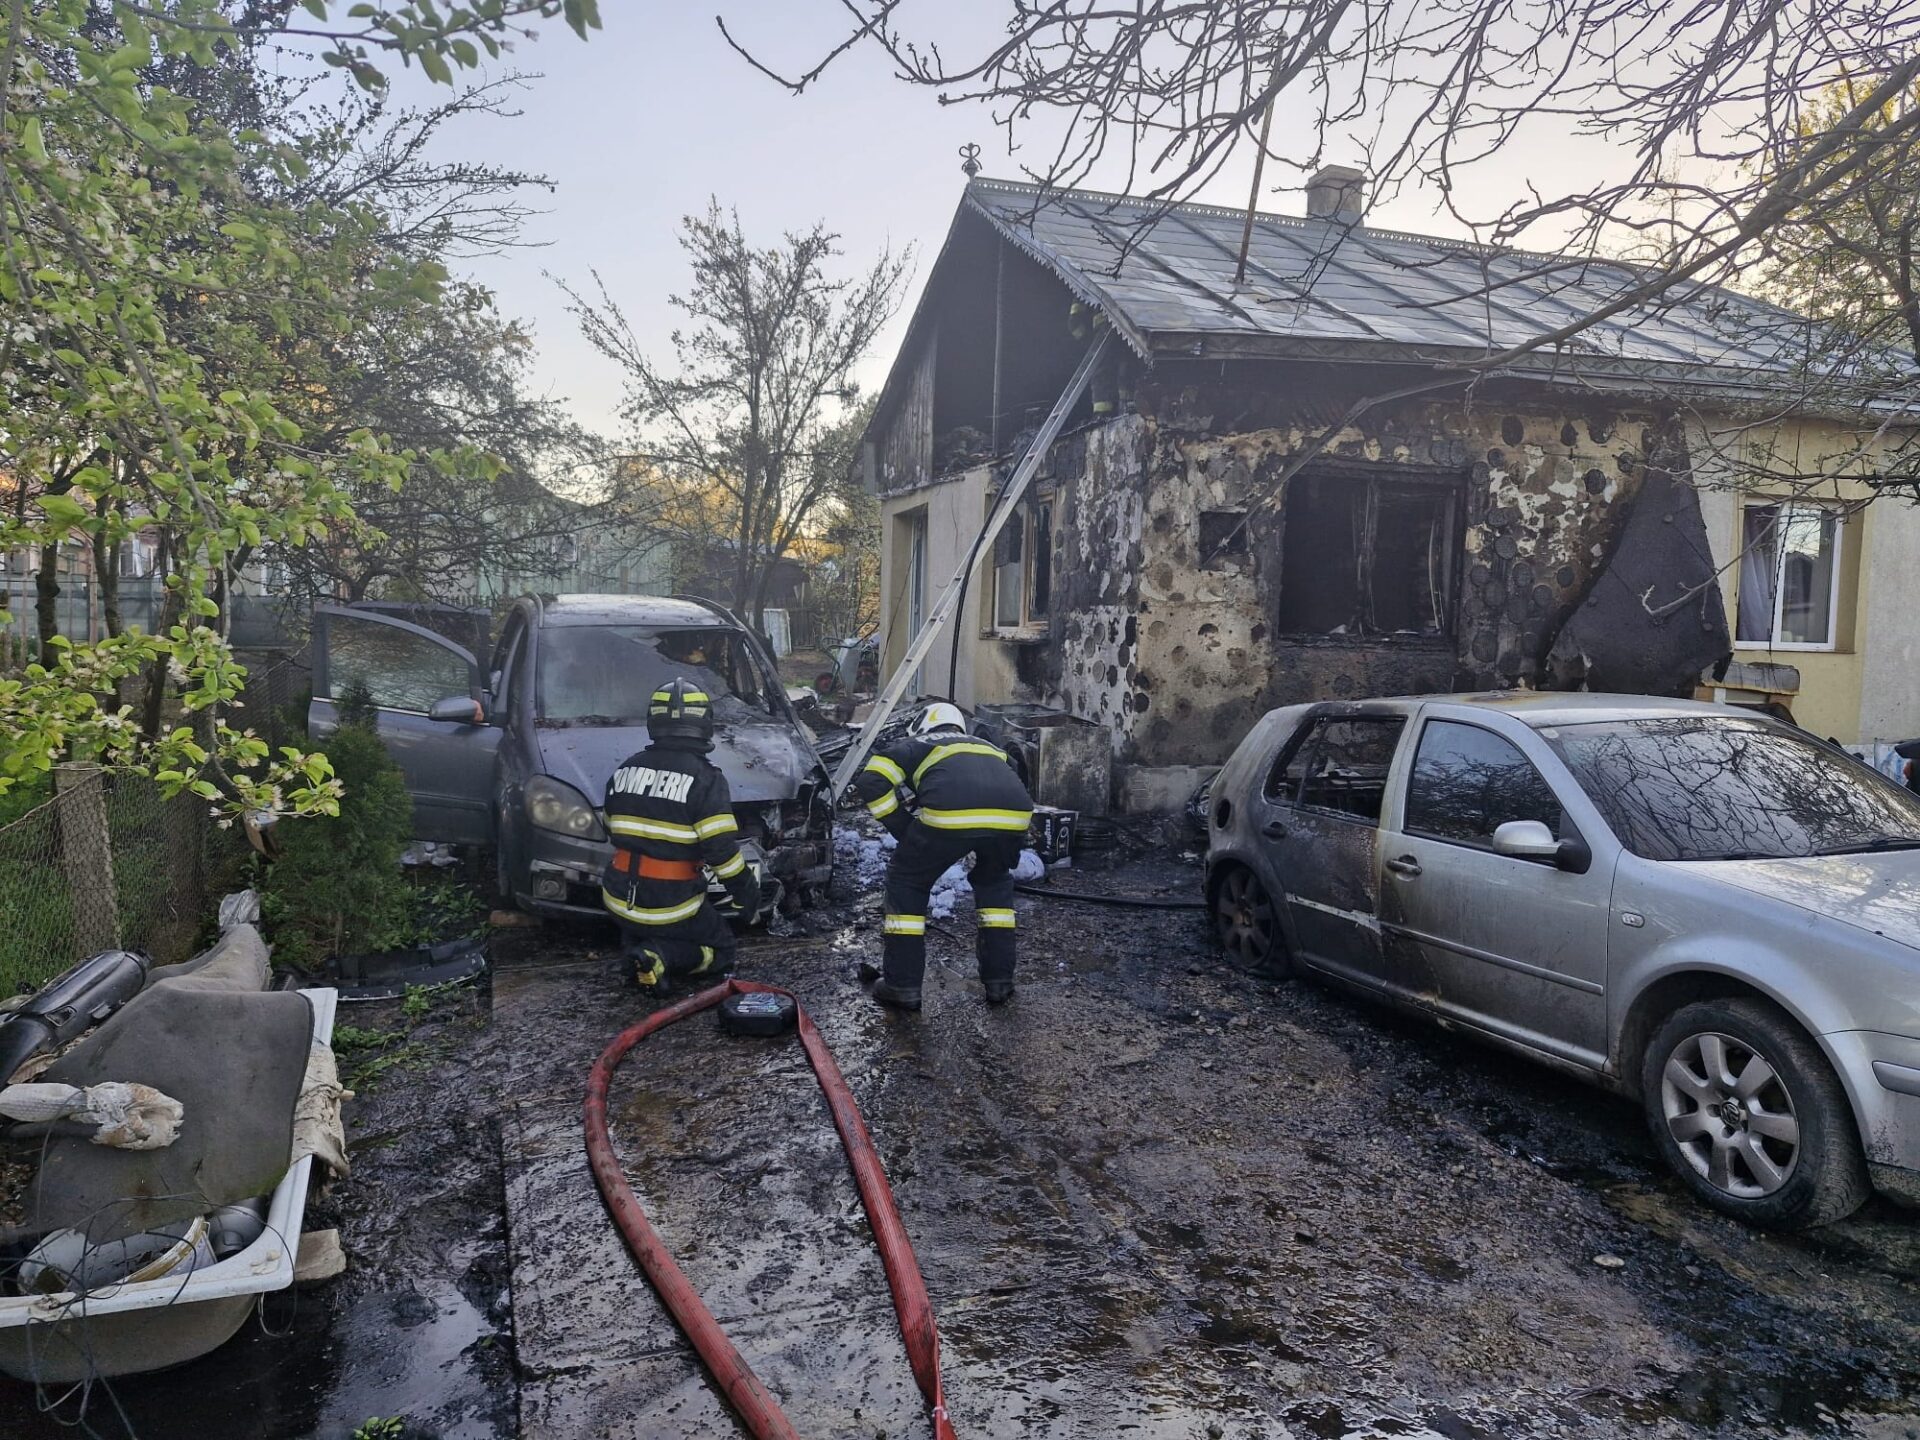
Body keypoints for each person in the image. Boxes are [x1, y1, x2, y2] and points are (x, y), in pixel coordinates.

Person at [852, 702, 1034, 1012]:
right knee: (994, 886)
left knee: (907, 882)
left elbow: (871, 781)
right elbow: (1012, 781)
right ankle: (999, 982)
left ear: (923, 727)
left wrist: (904, 828)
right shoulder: (991, 748)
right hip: (1014, 816)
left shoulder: (916, 744)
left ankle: (902, 986)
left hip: (949, 814)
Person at [600, 677, 759, 988]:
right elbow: (721, 853)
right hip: (671, 907)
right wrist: (746, 895)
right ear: (704, 723)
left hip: (619, 900)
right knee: (723, 949)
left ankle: (638, 951)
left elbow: (610, 828)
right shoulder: (706, 779)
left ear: (653, 721)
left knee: (644, 928)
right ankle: (659, 956)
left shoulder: (625, 769)